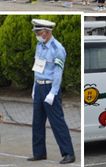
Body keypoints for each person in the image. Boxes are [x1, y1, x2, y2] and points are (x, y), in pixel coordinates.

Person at [27, 19, 75, 164]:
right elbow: (38, 67)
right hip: (40, 86)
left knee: (57, 122)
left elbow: (57, 72)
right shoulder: (39, 46)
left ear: (47, 32)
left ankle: (68, 153)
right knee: (37, 122)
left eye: (39, 32)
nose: (37, 35)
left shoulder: (57, 48)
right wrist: (35, 87)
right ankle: (39, 152)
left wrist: (53, 92)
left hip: (50, 87)